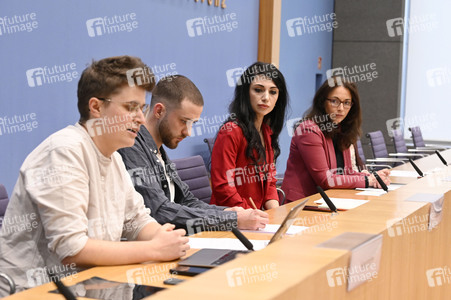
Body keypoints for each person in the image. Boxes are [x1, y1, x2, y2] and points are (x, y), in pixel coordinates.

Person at [0, 56, 189, 296]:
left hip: (93, 287)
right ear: (96, 107)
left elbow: (136, 220)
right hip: (35, 292)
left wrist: (165, 239)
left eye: (142, 109)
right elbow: (72, 250)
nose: (141, 118)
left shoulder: (115, 158)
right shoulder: (63, 152)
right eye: (130, 107)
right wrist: (154, 250)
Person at [118, 75, 269, 233]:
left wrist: (227, 212)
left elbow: (187, 200)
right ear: (159, 111)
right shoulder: (132, 145)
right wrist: (231, 220)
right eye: (184, 121)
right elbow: (159, 211)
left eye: (193, 124)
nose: (188, 132)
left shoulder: (158, 149)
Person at [281, 77, 390, 202]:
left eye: (347, 103)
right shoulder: (308, 130)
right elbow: (325, 180)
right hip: (302, 203)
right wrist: (367, 181)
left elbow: (347, 172)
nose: (341, 108)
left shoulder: (340, 128)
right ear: (322, 101)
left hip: (329, 200)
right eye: (334, 101)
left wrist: (372, 176)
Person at [209, 62, 289, 209]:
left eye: (273, 92)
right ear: (245, 92)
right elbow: (223, 188)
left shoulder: (266, 131)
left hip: (256, 220)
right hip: (230, 218)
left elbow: (270, 182)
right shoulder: (230, 131)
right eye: (258, 90)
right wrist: (251, 214)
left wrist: (276, 214)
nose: (266, 98)